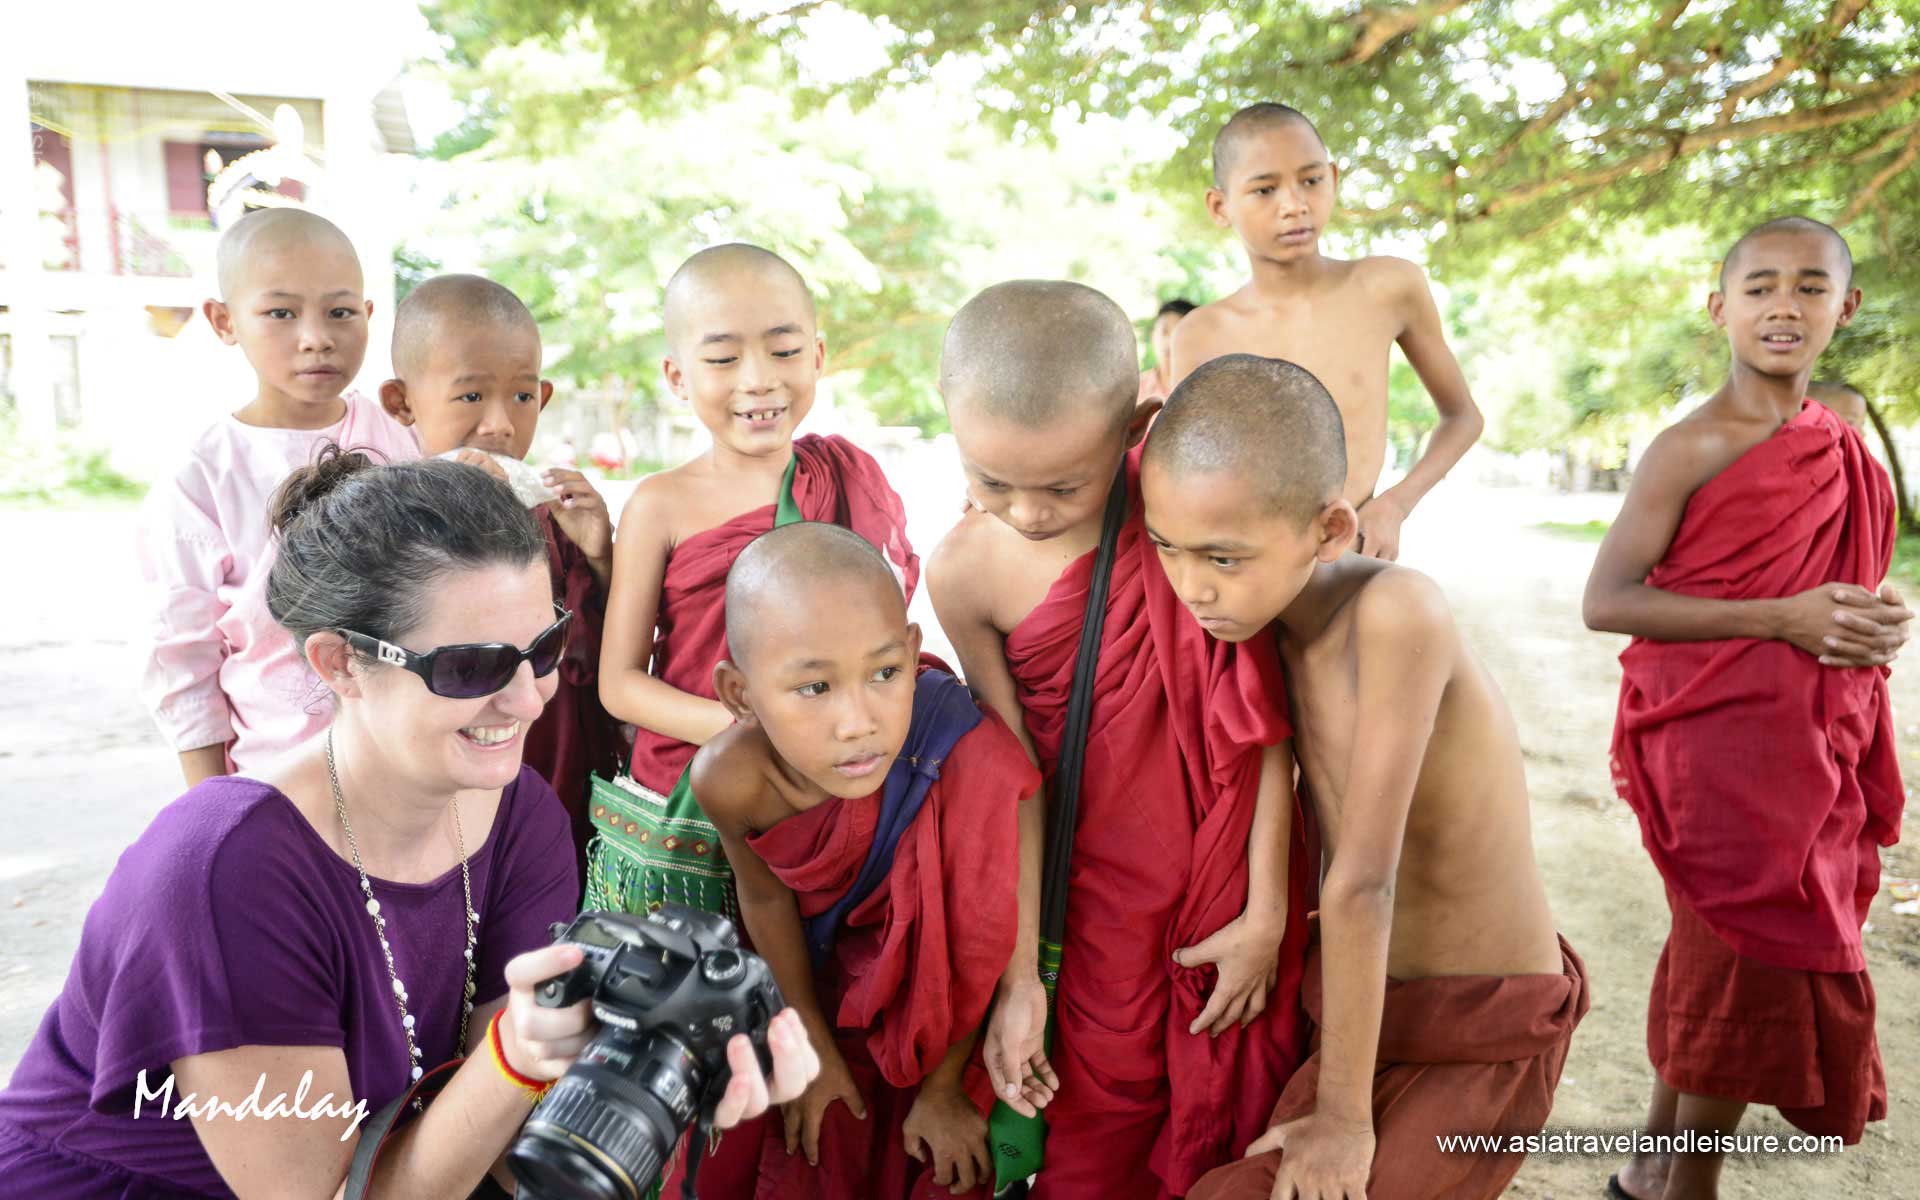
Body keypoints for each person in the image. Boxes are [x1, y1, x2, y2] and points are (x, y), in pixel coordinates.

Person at [0, 451, 819, 1198]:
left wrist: (656, 1064)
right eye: (470, 667)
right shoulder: (224, 870)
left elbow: (500, 1133)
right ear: (338, 663)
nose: (526, 698)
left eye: (541, 648)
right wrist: (517, 1060)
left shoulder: (517, 810)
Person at [1142, 355, 1588, 1200]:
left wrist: (1344, 1121)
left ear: (1331, 529)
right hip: (1363, 1013)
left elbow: (1364, 880)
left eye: (1222, 558)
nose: (1190, 585)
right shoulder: (1256, 626)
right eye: (1169, 548)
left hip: (1483, 1026)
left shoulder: (1397, 612)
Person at [927, 280, 1311, 1199]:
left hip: (1220, 878)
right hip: (1087, 895)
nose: (1025, 510)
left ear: (1135, 424)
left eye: (1063, 484)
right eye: (991, 481)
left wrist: (1265, 914)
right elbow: (1011, 774)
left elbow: (1256, 726)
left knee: (1221, 1105)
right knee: (1092, 1131)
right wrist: (1021, 975)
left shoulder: (1177, 520)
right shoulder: (964, 570)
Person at [1584, 217, 1909, 1200]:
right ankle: (1686, 1188)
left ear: (1844, 309)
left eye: (1811, 288)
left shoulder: (1840, 444)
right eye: (1760, 286)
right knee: (1752, 948)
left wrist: (1874, 619)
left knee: (1719, 958)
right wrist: (1783, 619)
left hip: (1811, 741)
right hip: (1713, 743)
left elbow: (1842, 584)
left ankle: (1652, 1174)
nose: (1784, 306)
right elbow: (1609, 600)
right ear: (1717, 305)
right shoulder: (1689, 447)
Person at [688, 521, 1042, 1198]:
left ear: (913, 653)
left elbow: (979, 936)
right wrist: (812, 1044)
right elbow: (764, 901)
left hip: (945, 1023)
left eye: (885, 673)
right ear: (739, 695)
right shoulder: (730, 780)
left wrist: (943, 1088)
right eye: (815, 688)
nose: (859, 721)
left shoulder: (961, 749)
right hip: (817, 994)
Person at [137, 208, 419, 786]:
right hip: (279, 775)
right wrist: (209, 806)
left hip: (410, 763)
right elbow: (183, 658)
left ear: (368, 315)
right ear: (224, 320)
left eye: (340, 312)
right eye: (280, 313)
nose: (316, 338)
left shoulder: (405, 436)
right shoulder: (203, 478)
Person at [379, 273, 624, 875]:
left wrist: (600, 554)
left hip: (561, 757)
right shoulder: (390, 511)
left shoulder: (553, 515)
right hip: (452, 774)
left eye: (521, 397)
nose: (500, 425)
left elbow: (613, 642)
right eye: (470, 398)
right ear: (402, 401)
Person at [1170, 103, 1484, 562]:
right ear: (1221, 206)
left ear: (1334, 178)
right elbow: (1187, 476)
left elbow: (1463, 417)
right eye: (1264, 189)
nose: (1294, 204)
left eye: (1311, 181)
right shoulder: (1202, 334)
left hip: (1354, 557)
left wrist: (1395, 505)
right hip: (1248, 572)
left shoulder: (1387, 287)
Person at [1138, 298, 1196, 408]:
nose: (1169, 341)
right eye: (1164, 331)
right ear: (1152, 335)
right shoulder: (1133, 391)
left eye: (1179, 333)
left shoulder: (1205, 390)